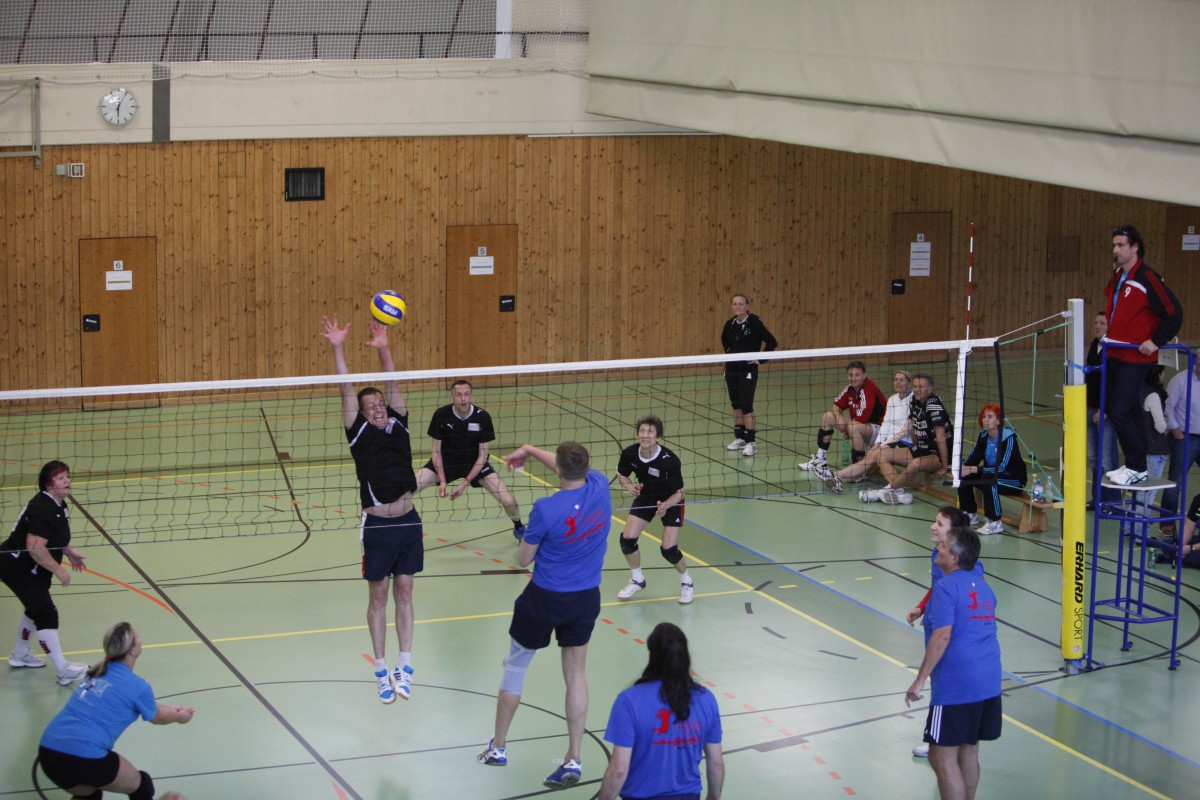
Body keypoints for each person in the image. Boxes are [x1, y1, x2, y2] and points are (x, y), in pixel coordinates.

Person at [477, 442, 611, 791]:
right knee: (576, 674)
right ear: (585, 466)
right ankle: (574, 756)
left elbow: (523, 559)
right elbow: (571, 467)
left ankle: (498, 747)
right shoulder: (600, 487)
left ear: (558, 470)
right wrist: (531, 450)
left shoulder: (546, 509)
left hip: (545, 598)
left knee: (515, 667)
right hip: (585, 598)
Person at [321, 314, 422, 704]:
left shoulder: (399, 423)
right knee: (379, 597)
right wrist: (338, 348)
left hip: (408, 520)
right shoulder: (358, 432)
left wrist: (384, 350)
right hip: (378, 526)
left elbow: (393, 382)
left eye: (380, 403)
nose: (378, 408)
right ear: (361, 413)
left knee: (406, 592)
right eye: (371, 406)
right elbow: (346, 389)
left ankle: (405, 667)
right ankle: (381, 670)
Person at [38, 622, 193, 800]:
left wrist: (171, 710)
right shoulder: (136, 685)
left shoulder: (97, 672)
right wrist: (180, 717)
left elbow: (146, 706)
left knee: (90, 794)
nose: (140, 638)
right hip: (83, 755)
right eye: (137, 637)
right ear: (132, 650)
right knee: (141, 785)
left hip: (49, 753)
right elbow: (158, 718)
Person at [905, 527, 1002, 800]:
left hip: (957, 686)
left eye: (944, 546)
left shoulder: (946, 588)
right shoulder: (985, 588)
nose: (939, 548)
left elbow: (942, 636)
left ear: (954, 558)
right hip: (989, 681)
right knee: (969, 750)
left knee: (941, 756)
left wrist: (920, 680)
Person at [598, 622, 724, 800]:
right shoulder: (706, 699)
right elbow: (716, 763)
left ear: (651, 654)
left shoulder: (629, 701)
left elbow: (618, 770)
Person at [1101, 224, 1182, 486]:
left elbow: (1174, 313)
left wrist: (1155, 340)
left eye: (1121, 245)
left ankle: (1137, 466)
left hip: (1134, 359)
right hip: (1115, 353)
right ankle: (1135, 465)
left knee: (1119, 412)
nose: (1116, 250)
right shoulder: (1118, 275)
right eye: (1114, 245)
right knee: (1131, 411)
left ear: (1135, 247)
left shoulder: (1147, 277)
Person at [1, 461, 89, 686]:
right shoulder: (43, 508)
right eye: (60, 478)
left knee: (35, 609)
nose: (67, 481)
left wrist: (68, 551)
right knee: (46, 613)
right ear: (49, 484)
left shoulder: (59, 504)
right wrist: (58, 569)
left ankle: (20, 654)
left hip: (31, 567)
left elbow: (53, 535)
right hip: (16, 565)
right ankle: (63, 670)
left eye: (67, 476)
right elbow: (34, 546)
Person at [414, 379, 525, 540]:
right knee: (409, 487)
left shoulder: (482, 417)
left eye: (466, 394)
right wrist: (443, 480)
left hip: (475, 464)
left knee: (508, 500)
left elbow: (482, 457)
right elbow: (436, 451)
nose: (463, 399)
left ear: (471, 396)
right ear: (452, 397)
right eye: (459, 395)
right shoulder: (441, 415)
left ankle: (519, 527)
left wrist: (465, 483)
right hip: (446, 462)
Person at [905, 506, 974, 758]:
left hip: (947, 631)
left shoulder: (968, 566)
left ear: (954, 534)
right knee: (939, 680)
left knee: (946, 682)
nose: (933, 527)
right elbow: (938, 586)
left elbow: (966, 596)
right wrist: (922, 607)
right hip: (933, 623)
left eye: (940, 524)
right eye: (935, 521)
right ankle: (949, 738)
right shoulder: (939, 553)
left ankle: (942, 740)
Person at [614, 416, 693, 604]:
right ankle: (637, 579)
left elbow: (680, 492)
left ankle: (686, 581)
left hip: (671, 500)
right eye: (642, 431)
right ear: (637, 434)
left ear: (658, 437)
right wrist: (630, 487)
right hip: (647, 496)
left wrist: (666, 505)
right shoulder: (630, 453)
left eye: (650, 432)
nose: (645, 435)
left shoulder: (669, 461)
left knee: (668, 550)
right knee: (627, 540)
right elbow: (621, 474)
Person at [863, 373, 952, 505]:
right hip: (922, 450)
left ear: (930, 389)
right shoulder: (913, 402)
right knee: (882, 455)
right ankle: (898, 492)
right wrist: (914, 448)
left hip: (937, 455)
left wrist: (944, 466)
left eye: (921, 387)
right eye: (915, 386)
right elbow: (915, 429)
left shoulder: (934, 405)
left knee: (915, 463)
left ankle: (882, 492)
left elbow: (941, 436)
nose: (916, 390)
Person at [822, 370, 913, 494]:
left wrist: (884, 444)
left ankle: (835, 475)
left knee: (869, 459)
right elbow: (886, 424)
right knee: (869, 459)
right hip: (890, 442)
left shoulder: (913, 401)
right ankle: (838, 479)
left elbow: (905, 430)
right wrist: (878, 442)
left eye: (902, 380)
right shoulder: (892, 399)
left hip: (905, 443)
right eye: (896, 379)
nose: (898, 382)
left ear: (909, 383)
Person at [798, 360, 887, 479]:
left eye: (857, 375)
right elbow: (836, 406)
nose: (853, 378)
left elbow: (863, 417)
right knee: (828, 417)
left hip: (880, 432)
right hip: (862, 426)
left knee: (854, 427)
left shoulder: (868, 388)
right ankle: (820, 460)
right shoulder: (850, 389)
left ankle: (859, 471)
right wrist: (839, 417)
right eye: (850, 375)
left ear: (864, 376)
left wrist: (848, 429)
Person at [720, 293, 778, 457]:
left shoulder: (754, 323)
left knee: (746, 405)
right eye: (735, 304)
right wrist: (730, 356)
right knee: (736, 405)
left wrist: (760, 359)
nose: (737, 306)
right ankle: (740, 438)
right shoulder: (729, 324)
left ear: (747, 306)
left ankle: (751, 442)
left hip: (747, 370)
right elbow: (724, 340)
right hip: (732, 369)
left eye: (741, 304)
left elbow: (772, 342)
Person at [957, 404, 1027, 536]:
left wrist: (973, 469)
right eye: (984, 416)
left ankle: (995, 522)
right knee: (964, 475)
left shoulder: (1008, 438)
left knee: (988, 479)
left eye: (990, 417)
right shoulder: (983, 436)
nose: (985, 420)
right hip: (991, 475)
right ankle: (970, 514)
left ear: (998, 421)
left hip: (1013, 480)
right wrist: (963, 467)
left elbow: (1001, 467)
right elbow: (973, 458)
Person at [1160, 358, 1200, 533]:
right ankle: (1167, 524)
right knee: (1175, 481)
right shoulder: (1180, 380)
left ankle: (1195, 524)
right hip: (1185, 436)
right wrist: (1176, 431)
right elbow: (1168, 407)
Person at [1085, 311, 1120, 508]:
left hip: (1104, 411)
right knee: (1094, 457)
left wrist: (1105, 409)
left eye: (1102, 323)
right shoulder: (1094, 345)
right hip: (1090, 407)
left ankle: (1113, 502)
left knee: (1107, 459)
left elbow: (1115, 382)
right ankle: (1097, 499)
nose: (1097, 326)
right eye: (1095, 322)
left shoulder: (1113, 349)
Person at [1142, 366, 1171, 510]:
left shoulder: (1137, 391)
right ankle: (1141, 524)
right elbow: (1160, 426)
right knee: (1148, 494)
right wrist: (1165, 420)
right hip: (1154, 449)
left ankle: (1132, 522)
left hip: (1140, 447)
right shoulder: (1153, 395)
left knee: (1139, 491)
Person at [1156, 491, 1200, 568]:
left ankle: (1172, 558)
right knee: (1173, 546)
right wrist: (1181, 545)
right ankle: (1177, 557)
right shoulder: (1198, 499)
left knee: (1194, 556)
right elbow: (1189, 527)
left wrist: (1191, 548)